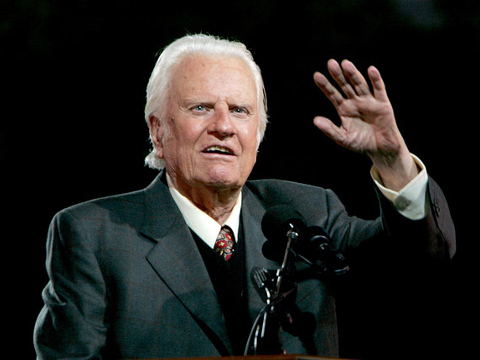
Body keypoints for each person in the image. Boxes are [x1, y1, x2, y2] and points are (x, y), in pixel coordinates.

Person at [34, 34, 455, 359]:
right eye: (201, 108)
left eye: (240, 110)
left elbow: (423, 259)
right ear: (157, 132)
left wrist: (394, 161)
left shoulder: (309, 214)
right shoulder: (93, 234)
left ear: (258, 134)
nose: (223, 126)